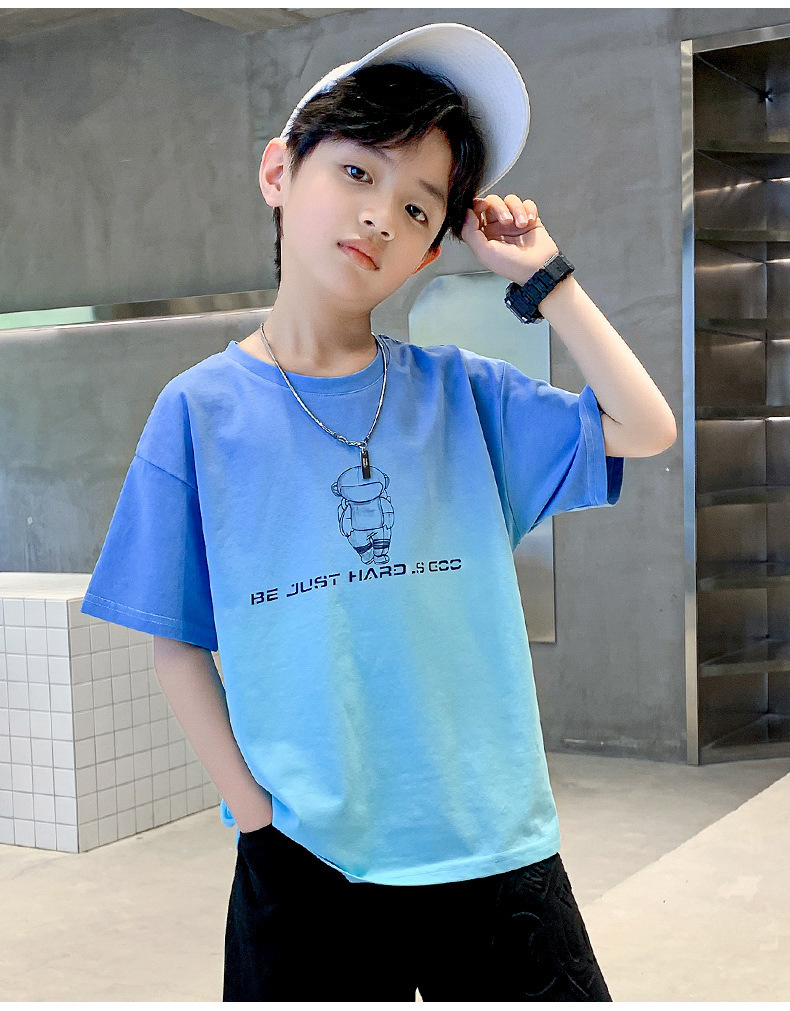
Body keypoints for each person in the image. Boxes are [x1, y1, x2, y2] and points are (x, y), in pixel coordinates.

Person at [81, 22, 676, 1002]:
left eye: (416, 207)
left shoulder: (464, 395)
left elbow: (645, 427)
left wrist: (547, 278)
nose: (378, 217)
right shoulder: (198, 413)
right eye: (357, 172)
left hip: (491, 845)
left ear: (432, 250)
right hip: (307, 858)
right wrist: (255, 815)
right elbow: (176, 640)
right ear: (280, 171)